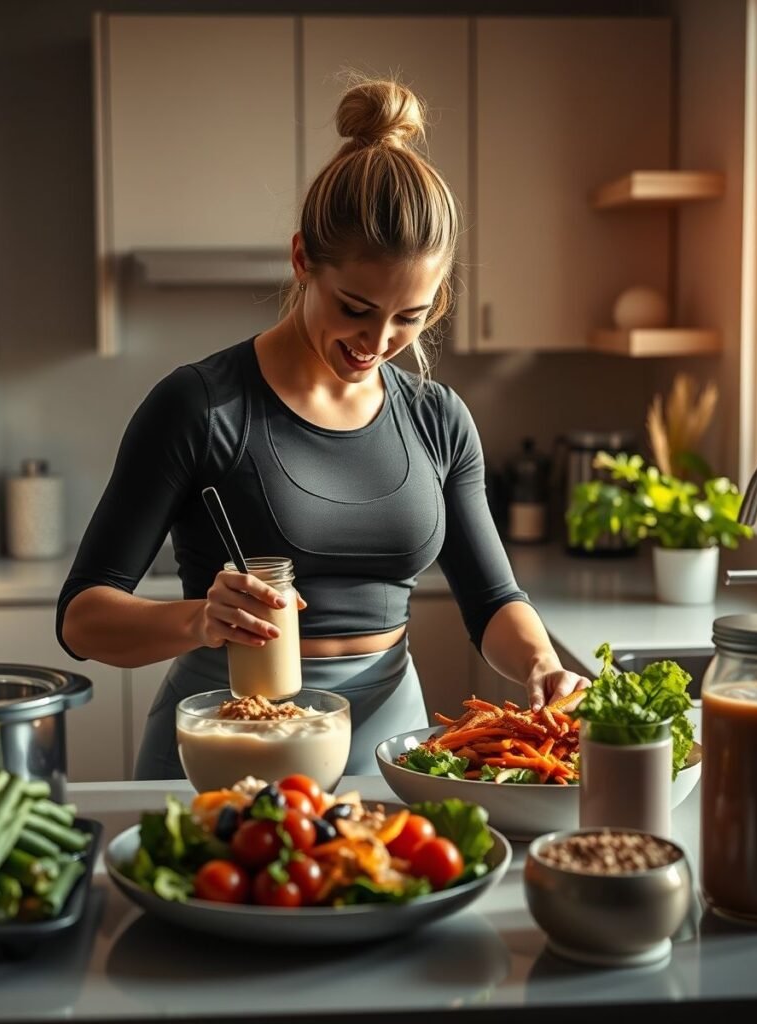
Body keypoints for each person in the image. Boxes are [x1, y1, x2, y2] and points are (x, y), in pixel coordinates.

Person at [56, 75, 591, 779]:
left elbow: (493, 601)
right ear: (303, 258)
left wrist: (542, 664)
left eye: (411, 316)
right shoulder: (199, 407)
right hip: (231, 747)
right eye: (356, 306)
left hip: (388, 760)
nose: (377, 340)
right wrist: (199, 618)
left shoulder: (438, 421)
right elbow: (82, 618)